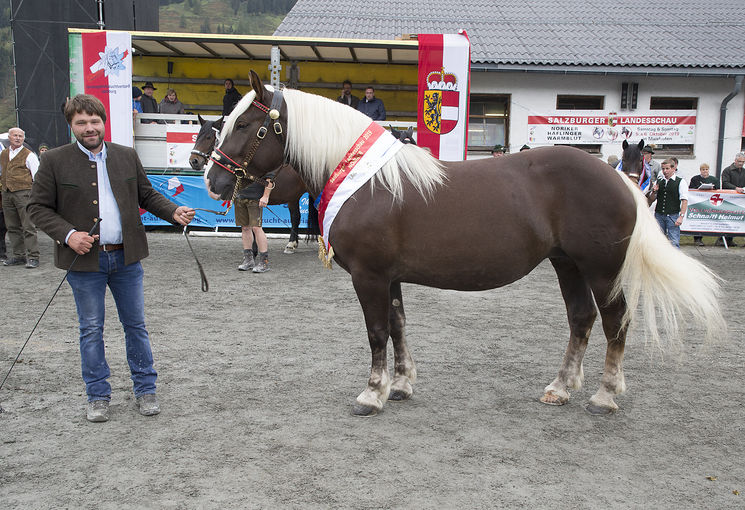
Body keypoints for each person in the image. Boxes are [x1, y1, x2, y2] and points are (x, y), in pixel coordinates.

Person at [28, 94, 196, 423]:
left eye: (94, 121)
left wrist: (173, 210)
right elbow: (37, 208)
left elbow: (145, 194)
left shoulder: (126, 156)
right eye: (81, 122)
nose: (89, 128)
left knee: (136, 327)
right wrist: (68, 234)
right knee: (91, 330)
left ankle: (146, 390)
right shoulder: (54, 161)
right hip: (85, 263)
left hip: (126, 259)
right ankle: (97, 396)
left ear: (103, 122)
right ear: (71, 125)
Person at [1, 127, 41, 268]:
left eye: (20, 136)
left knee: (28, 226)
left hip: (24, 193)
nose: (18, 138)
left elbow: (37, 176)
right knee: (12, 226)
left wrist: (35, 195)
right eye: (15, 136)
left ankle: (33, 256)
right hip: (6, 193)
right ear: (9, 138)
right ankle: (19, 256)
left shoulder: (29, 155)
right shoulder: (4, 154)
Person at [235, 173, 274, 273]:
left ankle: (264, 262)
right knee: (245, 228)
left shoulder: (260, 161)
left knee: (256, 228)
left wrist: (265, 196)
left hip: (255, 198)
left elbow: (270, 179)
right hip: (240, 196)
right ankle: (248, 260)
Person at [650, 158, 688, 248]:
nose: (665, 171)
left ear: (673, 169)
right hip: (659, 214)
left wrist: (681, 217)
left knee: (674, 242)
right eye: (663, 169)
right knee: (658, 241)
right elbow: (652, 199)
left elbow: (684, 200)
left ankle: (675, 261)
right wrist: (654, 191)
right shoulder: (659, 181)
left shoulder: (680, 182)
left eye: (667, 169)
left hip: (672, 215)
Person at [719, 152, 745, 247]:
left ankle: (730, 239)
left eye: (743, 162)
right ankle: (722, 239)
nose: (741, 164)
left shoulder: (744, 171)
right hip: (729, 198)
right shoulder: (727, 170)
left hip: (740, 200)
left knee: (735, 219)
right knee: (727, 218)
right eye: (739, 161)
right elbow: (725, 183)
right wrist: (735, 188)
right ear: (735, 160)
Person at [688, 163, 718, 246]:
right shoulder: (695, 179)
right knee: (698, 218)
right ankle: (697, 238)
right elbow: (691, 188)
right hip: (697, 202)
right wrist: (699, 187)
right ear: (700, 170)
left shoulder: (714, 179)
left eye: (706, 169)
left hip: (709, 202)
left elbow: (718, 188)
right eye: (703, 169)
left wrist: (712, 188)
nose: (705, 171)